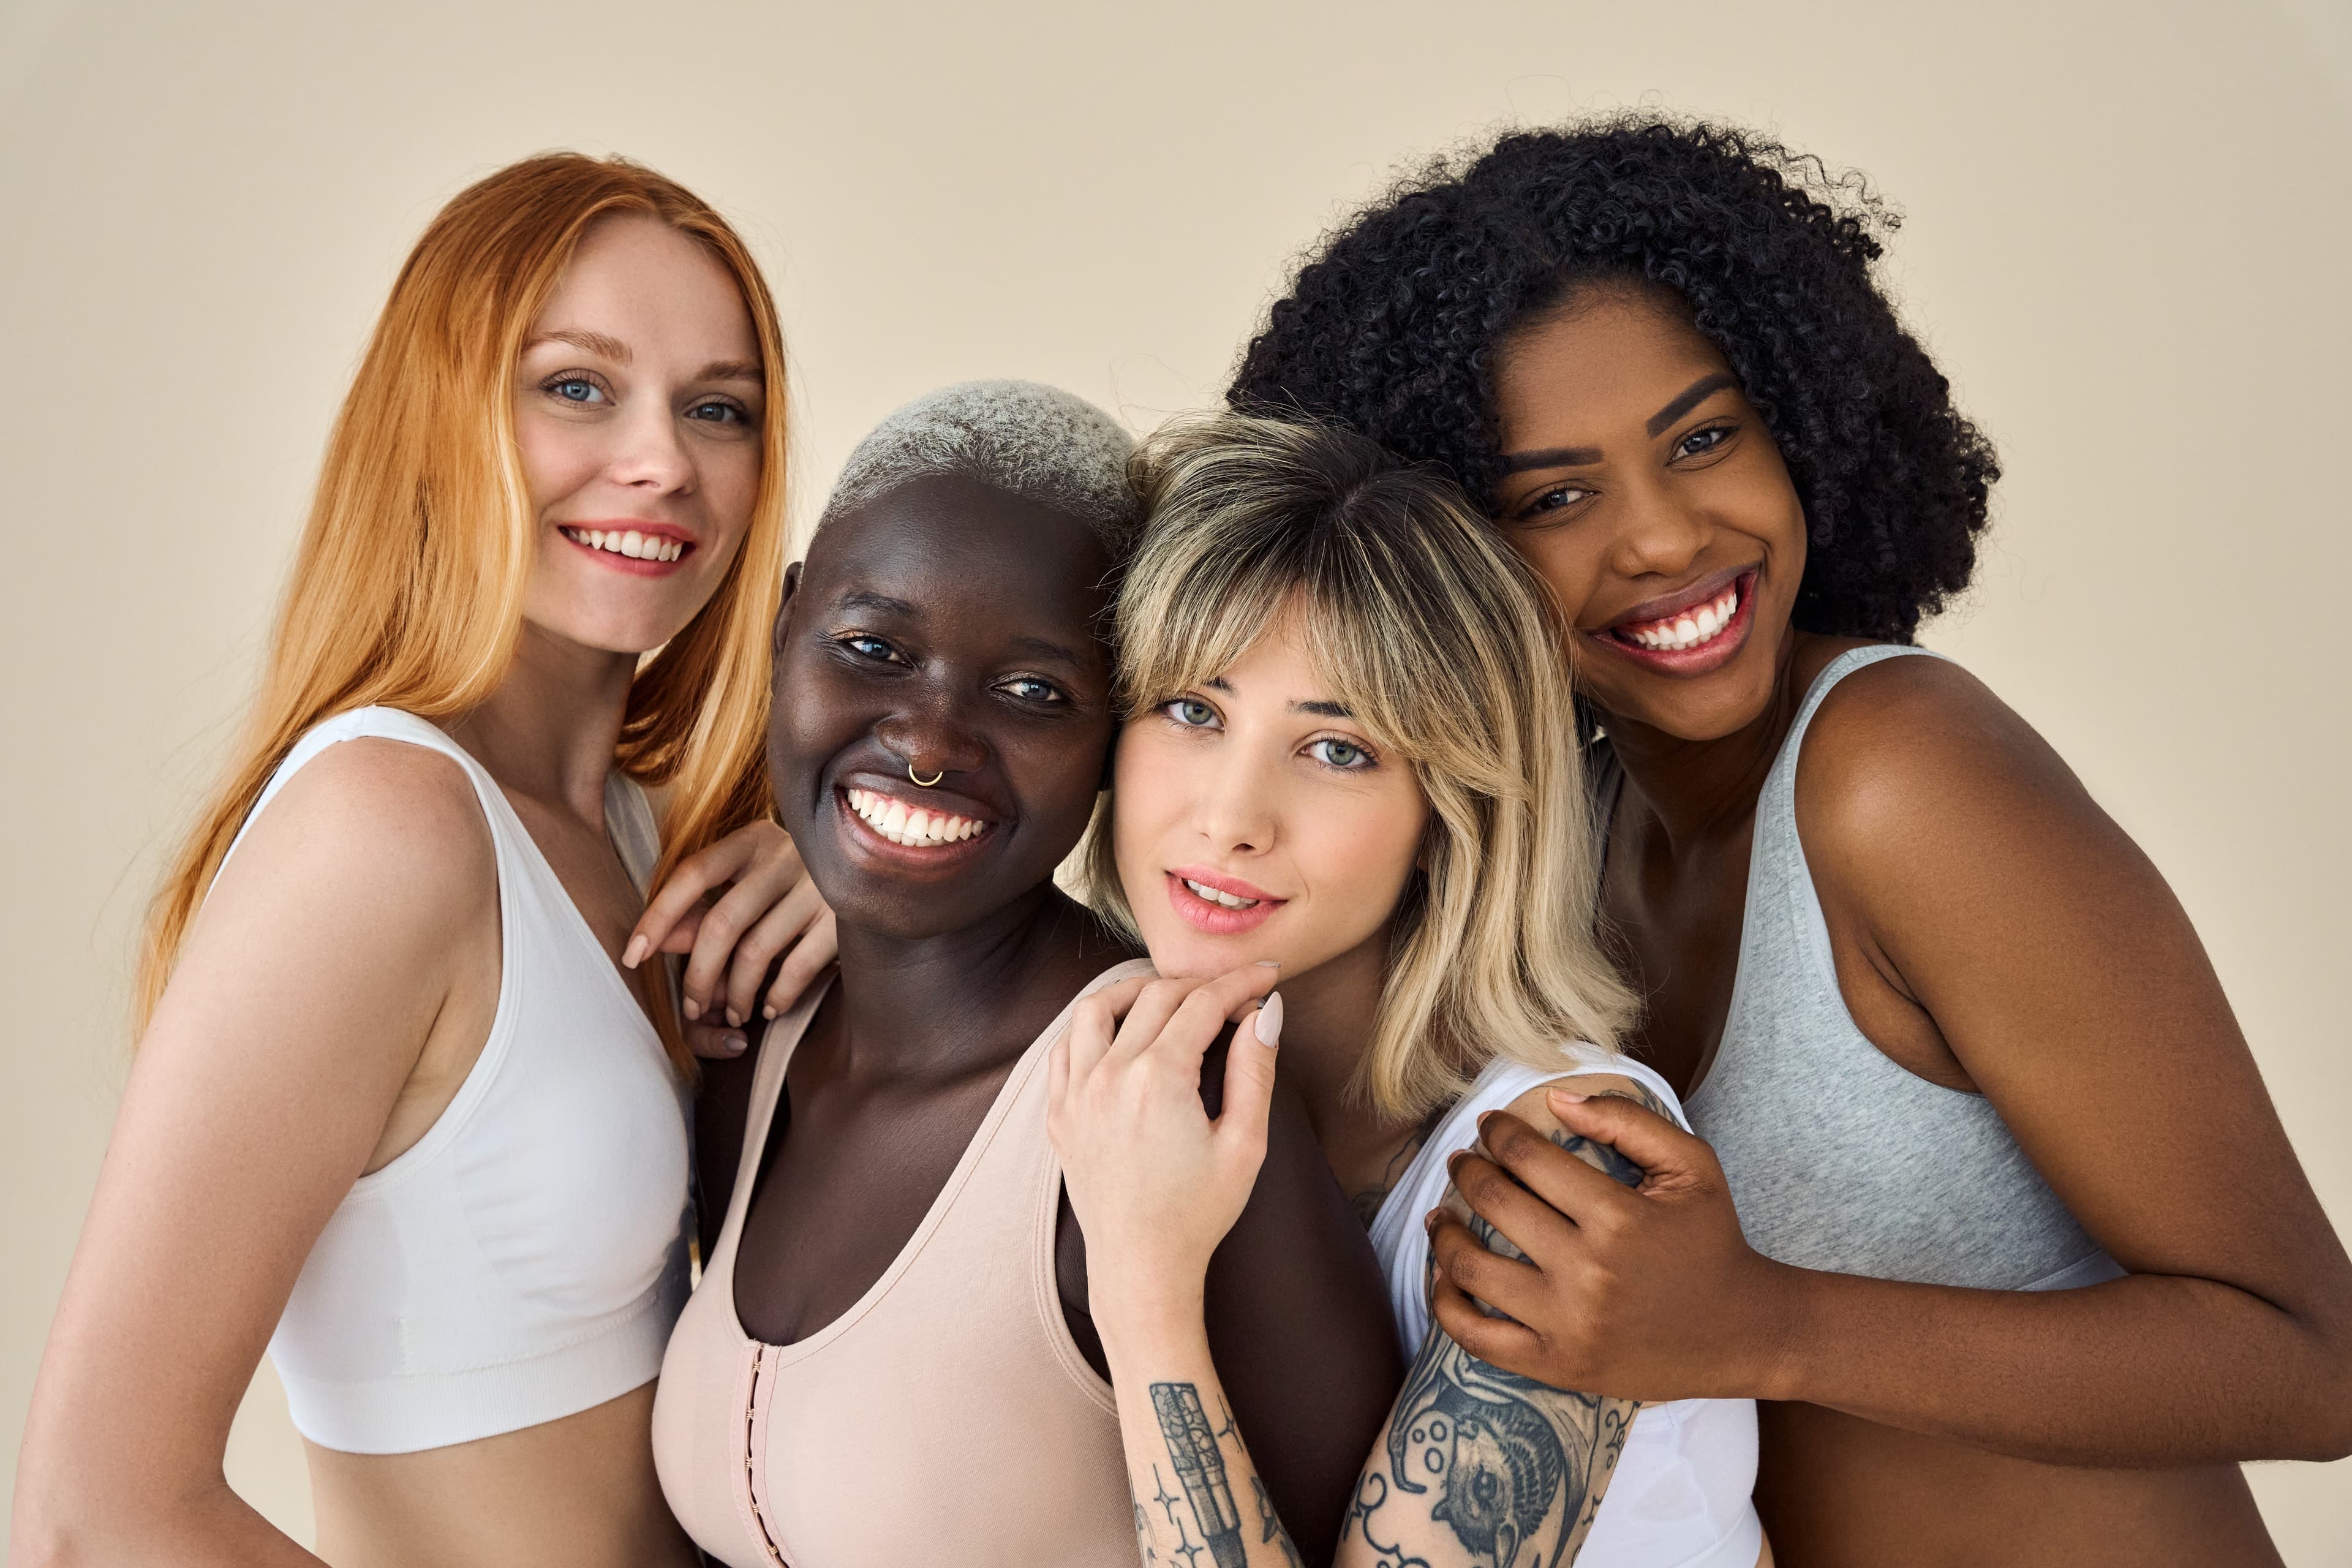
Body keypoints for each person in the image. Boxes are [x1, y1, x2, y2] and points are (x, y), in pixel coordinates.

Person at [1226, 115, 2352, 1563]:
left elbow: (2314, 1359)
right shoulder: (1554, 849)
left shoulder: (1900, 778)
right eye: (1554, 497)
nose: (1665, 536)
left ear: (1804, 422)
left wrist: (1769, 1323)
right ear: (1443, 553)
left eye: (1705, 437)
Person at [13, 153, 827, 1568]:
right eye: (576, 384)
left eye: (719, 408)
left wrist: (859, 872)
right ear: (438, 412)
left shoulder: (643, 826)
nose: (663, 460)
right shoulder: (384, 828)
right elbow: (96, 1511)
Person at [650, 382, 1400, 1568]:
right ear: (786, 621)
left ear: (1114, 739)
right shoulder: (762, 1037)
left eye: (1035, 692)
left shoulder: (1180, 1104)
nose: (931, 741)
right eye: (874, 648)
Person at [1049, 411, 1768, 1567]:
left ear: (1450, 818)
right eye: (1192, 710)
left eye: (1338, 750)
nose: (1230, 818)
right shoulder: (1142, 1077)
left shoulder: (1568, 1161)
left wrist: (1144, 1293)